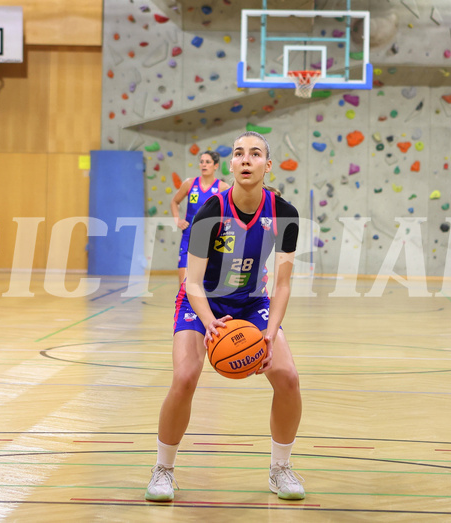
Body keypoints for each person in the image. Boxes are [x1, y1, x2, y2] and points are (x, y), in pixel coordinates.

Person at [145, 131, 304, 502]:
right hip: (202, 302)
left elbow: (281, 285)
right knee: (185, 377)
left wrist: (269, 331)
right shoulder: (211, 210)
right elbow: (194, 283)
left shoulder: (285, 214)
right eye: (238, 154)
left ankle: (280, 468)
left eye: (255, 154)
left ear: (268, 165)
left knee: (288, 377)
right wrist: (210, 322)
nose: (246, 159)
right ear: (230, 165)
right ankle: (163, 469)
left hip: (251, 302)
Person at [171, 151, 230, 284]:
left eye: (208, 162)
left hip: (211, 239)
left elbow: (229, 213)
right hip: (188, 236)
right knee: (184, 284)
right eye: (201, 161)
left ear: (216, 166)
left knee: (205, 283)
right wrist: (177, 220)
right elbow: (174, 202)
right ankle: (185, 305)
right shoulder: (189, 183)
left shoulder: (222, 187)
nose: (204, 165)